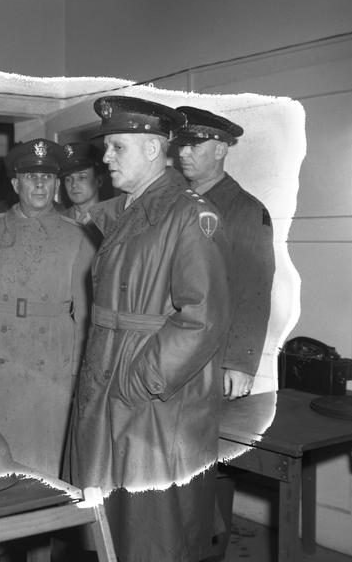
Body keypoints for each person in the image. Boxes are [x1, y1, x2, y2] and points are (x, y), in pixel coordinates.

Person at [65, 96, 231, 562]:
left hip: (155, 394)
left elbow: (204, 316)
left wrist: (143, 377)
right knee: (112, 526)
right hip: (112, 383)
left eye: (117, 147)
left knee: (154, 531)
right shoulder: (129, 212)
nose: (105, 157)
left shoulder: (188, 215)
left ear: (154, 149)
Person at [0, 138, 96, 477]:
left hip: (54, 358)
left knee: (48, 460)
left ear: (56, 184)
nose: (39, 184)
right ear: (14, 183)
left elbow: (86, 314)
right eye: (31, 176)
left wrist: (80, 373)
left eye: (47, 177)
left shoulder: (78, 235)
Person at [173, 106, 275, 400]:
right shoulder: (174, 202)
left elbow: (254, 289)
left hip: (213, 355)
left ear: (220, 150)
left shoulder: (245, 210)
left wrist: (240, 362)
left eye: (194, 145)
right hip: (171, 349)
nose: (183, 153)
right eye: (181, 144)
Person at [59, 141, 105, 225]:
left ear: (99, 180)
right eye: (68, 179)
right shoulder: (56, 222)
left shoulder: (114, 220)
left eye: (82, 177)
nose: (73, 185)